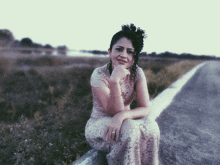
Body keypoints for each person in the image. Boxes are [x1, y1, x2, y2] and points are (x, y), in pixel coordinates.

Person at [85, 24, 160, 165]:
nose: (124, 55)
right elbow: (112, 111)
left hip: (123, 122)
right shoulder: (99, 74)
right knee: (130, 129)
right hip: (99, 126)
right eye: (119, 49)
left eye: (130, 52)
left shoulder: (137, 73)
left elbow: (146, 108)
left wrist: (123, 115)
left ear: (134, 57)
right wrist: (114, 80)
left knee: (151, 126)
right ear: (110, 52)